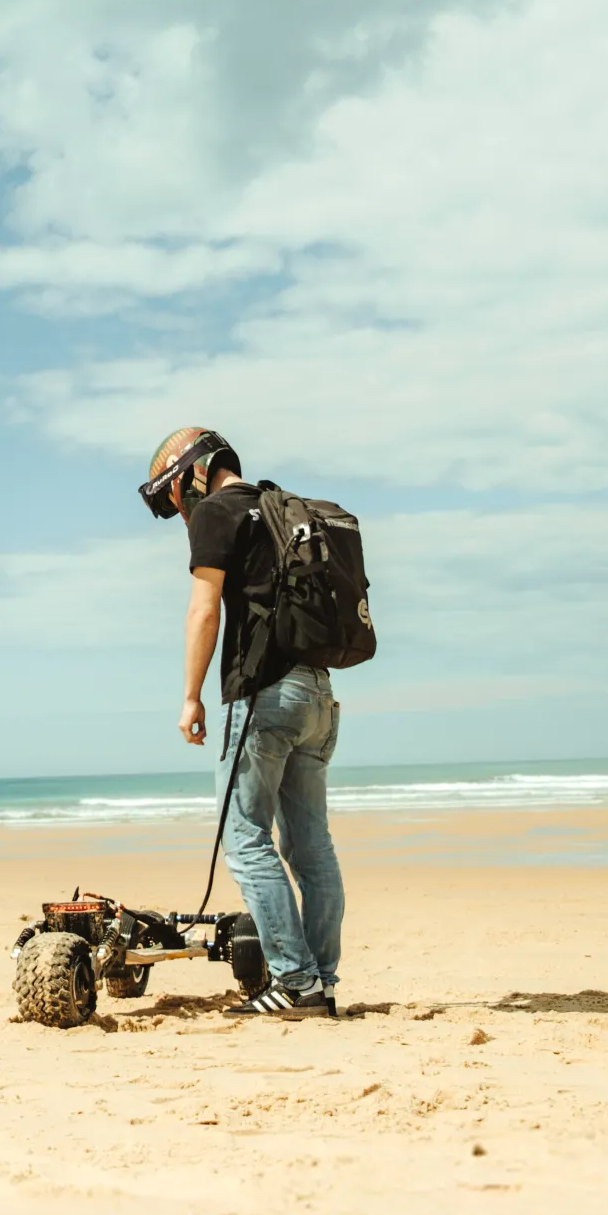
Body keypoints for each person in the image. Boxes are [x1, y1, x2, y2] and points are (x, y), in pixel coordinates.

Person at [143, 427, 341, 1016]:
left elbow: (204, 611)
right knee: (311, 848)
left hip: (265, 697)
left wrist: (190, 696)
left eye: (173, 497)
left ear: (192, 476)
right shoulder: (280, 509)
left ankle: (296, 982)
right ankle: (321, 982)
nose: (178, 511)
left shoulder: (218, 513)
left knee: (246, 840)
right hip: (319, 697)